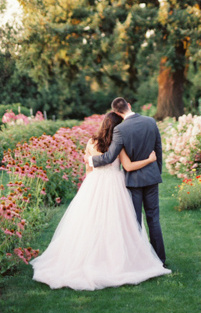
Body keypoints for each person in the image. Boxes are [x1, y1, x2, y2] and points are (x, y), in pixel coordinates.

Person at [30, 111, 170, 290]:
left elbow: (88, 170)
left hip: (94, 184)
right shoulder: (118, 144)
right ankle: (118, 259)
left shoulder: (91, 142)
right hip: (115, 185)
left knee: (90, 223)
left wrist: (88, 189)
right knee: (119, 224)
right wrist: (150, 159)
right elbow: (127, 166)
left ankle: (90, 258)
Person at [89, 97, 166, 265]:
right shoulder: (151, 121)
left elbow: (110, 157)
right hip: (152, 177)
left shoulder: (120, 129)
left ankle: (137, 260)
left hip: (134, 181)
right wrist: (156, 172)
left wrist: (91, 161)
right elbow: (158, 149)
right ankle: (160, 259)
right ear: (129, 106)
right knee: (154, 219)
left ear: (116, 112)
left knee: (134, 221)